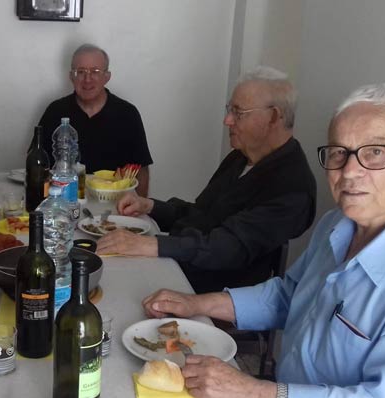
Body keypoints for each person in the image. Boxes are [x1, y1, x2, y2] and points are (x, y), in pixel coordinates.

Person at [141, 84, 385, 398]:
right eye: (339, 153)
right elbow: (290, 295)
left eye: (375, 152)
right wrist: (197, 303)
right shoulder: (337, 224)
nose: (349, 171)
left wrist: (256, 394)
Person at [97, 66, 316, 294]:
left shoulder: (293, 187)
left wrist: (151, 245)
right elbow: (202, 214)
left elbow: (227, 247)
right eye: (229, 110)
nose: (227, 120)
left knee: (109, 286)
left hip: (211, 292)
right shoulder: (241, 157)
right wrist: (149, 206)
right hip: (182, 266)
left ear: (273, 117)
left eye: (239, 113)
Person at [37, 44, 154, 196]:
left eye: (95, 72)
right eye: (80, 72)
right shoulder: (55, 111)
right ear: (71, 76)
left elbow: (141, 169)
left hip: (115, 202)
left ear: (107, 77)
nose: (87, 79)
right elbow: (37, 163)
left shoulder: (127, 114)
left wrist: (139, 204)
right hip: (64, 199)